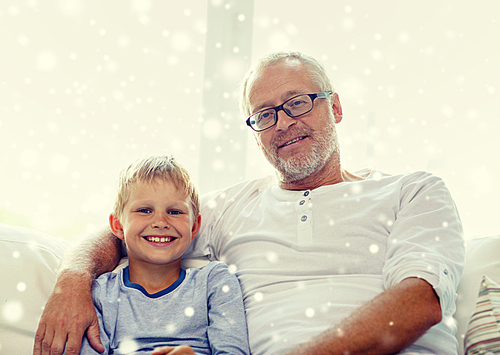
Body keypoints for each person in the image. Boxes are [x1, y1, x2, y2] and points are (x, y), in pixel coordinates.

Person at [34, 51, 465, 355]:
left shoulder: (414, 190)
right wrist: (72, 281)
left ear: (334, 107)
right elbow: (130, 231)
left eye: (298, 103)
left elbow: (420, 300)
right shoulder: (228, 209)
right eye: (264, 114)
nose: (284, 123)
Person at [79, 155, 250, 355]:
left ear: (194, 226)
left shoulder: (215, 282)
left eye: (175, 212)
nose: (160, 221)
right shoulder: (101, 293)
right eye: (144, 210)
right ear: (118, 225)